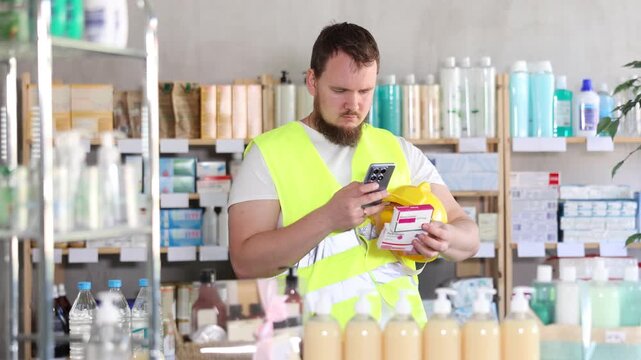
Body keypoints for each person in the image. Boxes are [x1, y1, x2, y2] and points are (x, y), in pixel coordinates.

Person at [228, 22, 479, 327]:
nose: (354, 104)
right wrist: (328, 219)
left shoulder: (398, 150)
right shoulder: (268, 154)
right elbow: (245, 263)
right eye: (340, 91)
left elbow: (468, 234)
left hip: (401, 340)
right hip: (312, 342)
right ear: (312, 81)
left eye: (365, 91)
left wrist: (445, 239)